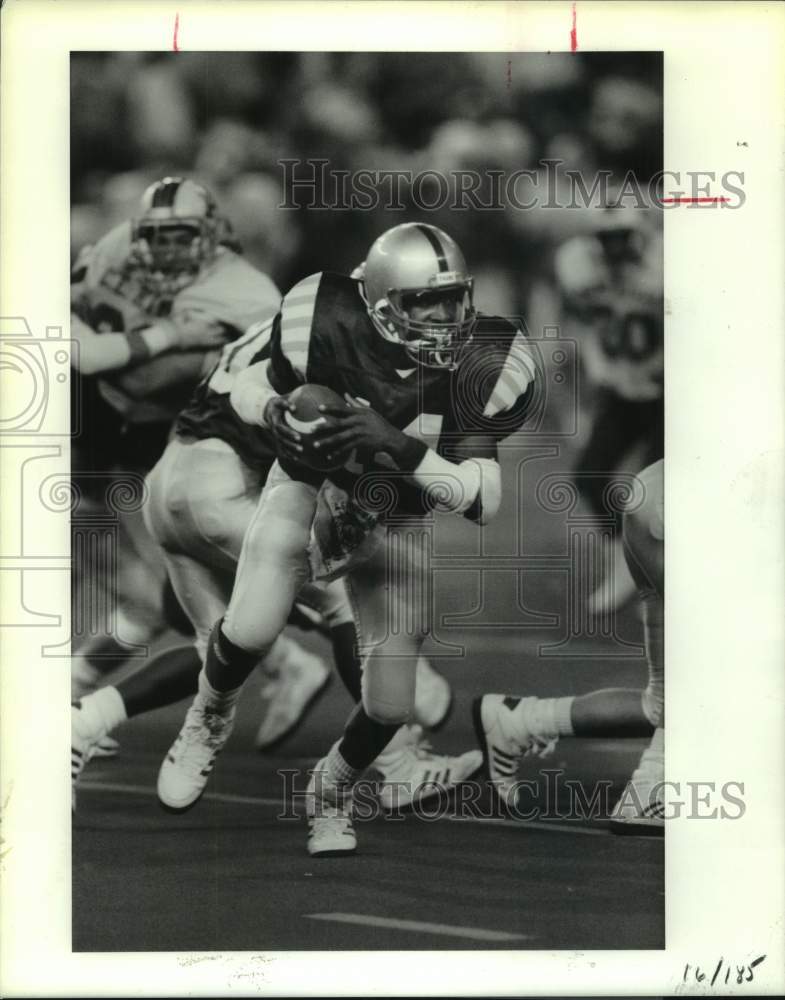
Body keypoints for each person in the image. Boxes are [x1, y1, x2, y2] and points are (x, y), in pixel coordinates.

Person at [156, 222, 538, 855]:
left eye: (453, 298)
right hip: (312, 486)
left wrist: (394, 445)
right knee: (251, 627)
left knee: (391, 706)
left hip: (399, 516)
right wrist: (271, 411)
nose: (445, 316)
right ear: (380, 302)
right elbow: (250, 384)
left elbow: (482, 498)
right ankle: (210, 714)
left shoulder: (487, 357)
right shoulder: (323, 314)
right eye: (425, 302)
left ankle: (331, 789)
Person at [72, 315, 461, 810]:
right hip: (219, 492)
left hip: (169, 484)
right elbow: (325, 445)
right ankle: (399, 765)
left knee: (216, 649)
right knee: (344, 604)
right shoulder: (338, 343)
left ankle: (83, 721)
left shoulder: (285, 323)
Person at [70, 175, 284, 705]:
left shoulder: (247, 293)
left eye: (180, 235)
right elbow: (83, 353)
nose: (165, 249)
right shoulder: (117, 246)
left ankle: (69, 698)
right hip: (74, 421)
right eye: (155, 236)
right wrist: (175, 336)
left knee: (154, 601)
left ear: (211, 233)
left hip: (127, 431)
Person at [473, 458, 664, 833]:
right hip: (698, 500)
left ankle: (522, 721)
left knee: (664, 700)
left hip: (658, 491)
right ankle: (652, 789)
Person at [555, 203, 663, 614]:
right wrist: (582, 399)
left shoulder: (668, 266)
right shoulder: (579, 265)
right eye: (607, 238)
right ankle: (624, 565)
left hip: (670, 394)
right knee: (590, 476)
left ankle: (663, 577)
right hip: (621, 389)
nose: (615, 248)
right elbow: (577, 331)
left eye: (622, 237)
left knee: (653, 496)